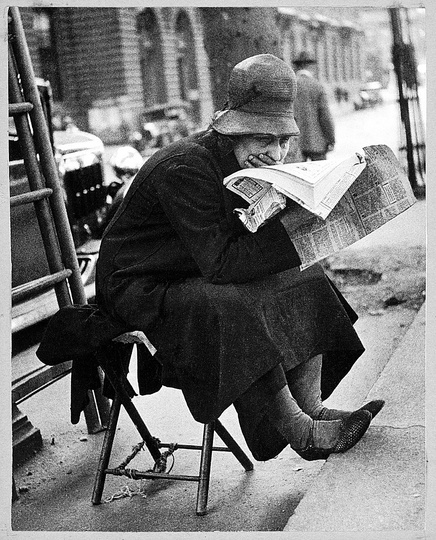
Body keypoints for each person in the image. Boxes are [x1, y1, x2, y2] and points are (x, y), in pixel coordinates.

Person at [96, 54, 384, 463]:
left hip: (187, 268)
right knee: (234, 304)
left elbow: (233, 249)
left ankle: (312, 410)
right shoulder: (186, 167)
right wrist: (296, 236)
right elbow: (222, 264)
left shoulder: (232, 160)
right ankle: (299, 431)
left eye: (282, 141)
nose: (276, 153)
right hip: (138, 285)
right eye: (263, 140)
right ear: (234, 133)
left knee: (307, 277)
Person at [293, 51, 336, 161]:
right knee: (321, 176)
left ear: (296, 66)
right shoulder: (317, 86)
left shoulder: (290, 85)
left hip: (295, 143)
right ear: (310, 66)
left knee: (296, 176)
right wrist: (331, 139)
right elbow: (325, 116)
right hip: (316, 142)